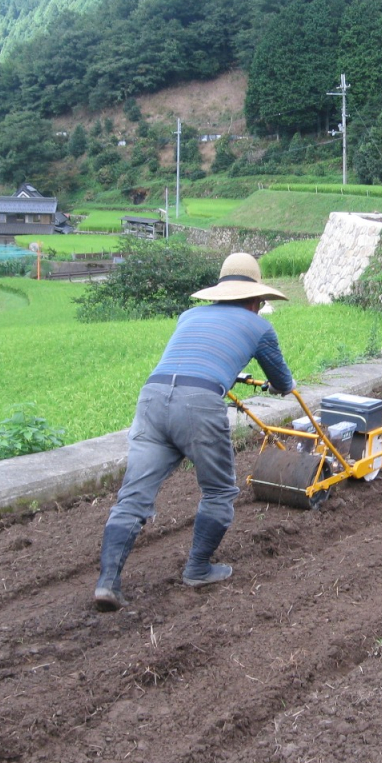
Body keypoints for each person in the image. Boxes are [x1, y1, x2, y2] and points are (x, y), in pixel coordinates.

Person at [93, 252, 295, 612]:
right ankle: (198, 569)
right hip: (198, 403)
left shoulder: (190, 315)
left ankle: (108, 583)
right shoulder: (260, 327)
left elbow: (198, 355)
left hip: (153, 397)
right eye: (261, 303)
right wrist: (281, 387)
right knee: (219, 489)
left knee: (134, 496)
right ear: (256, 300)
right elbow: (281, 381)